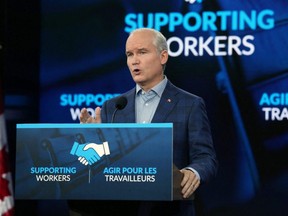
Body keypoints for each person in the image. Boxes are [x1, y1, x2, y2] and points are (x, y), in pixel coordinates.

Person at [69, 28, 218, 216]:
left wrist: (193, 172)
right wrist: (92, 140)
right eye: (129, 54)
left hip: (170, 209)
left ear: (163, 57)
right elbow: (104, 164)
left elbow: (206, 158)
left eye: (142, 52)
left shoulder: (190, 104)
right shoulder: (113, 107)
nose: (134, 60)